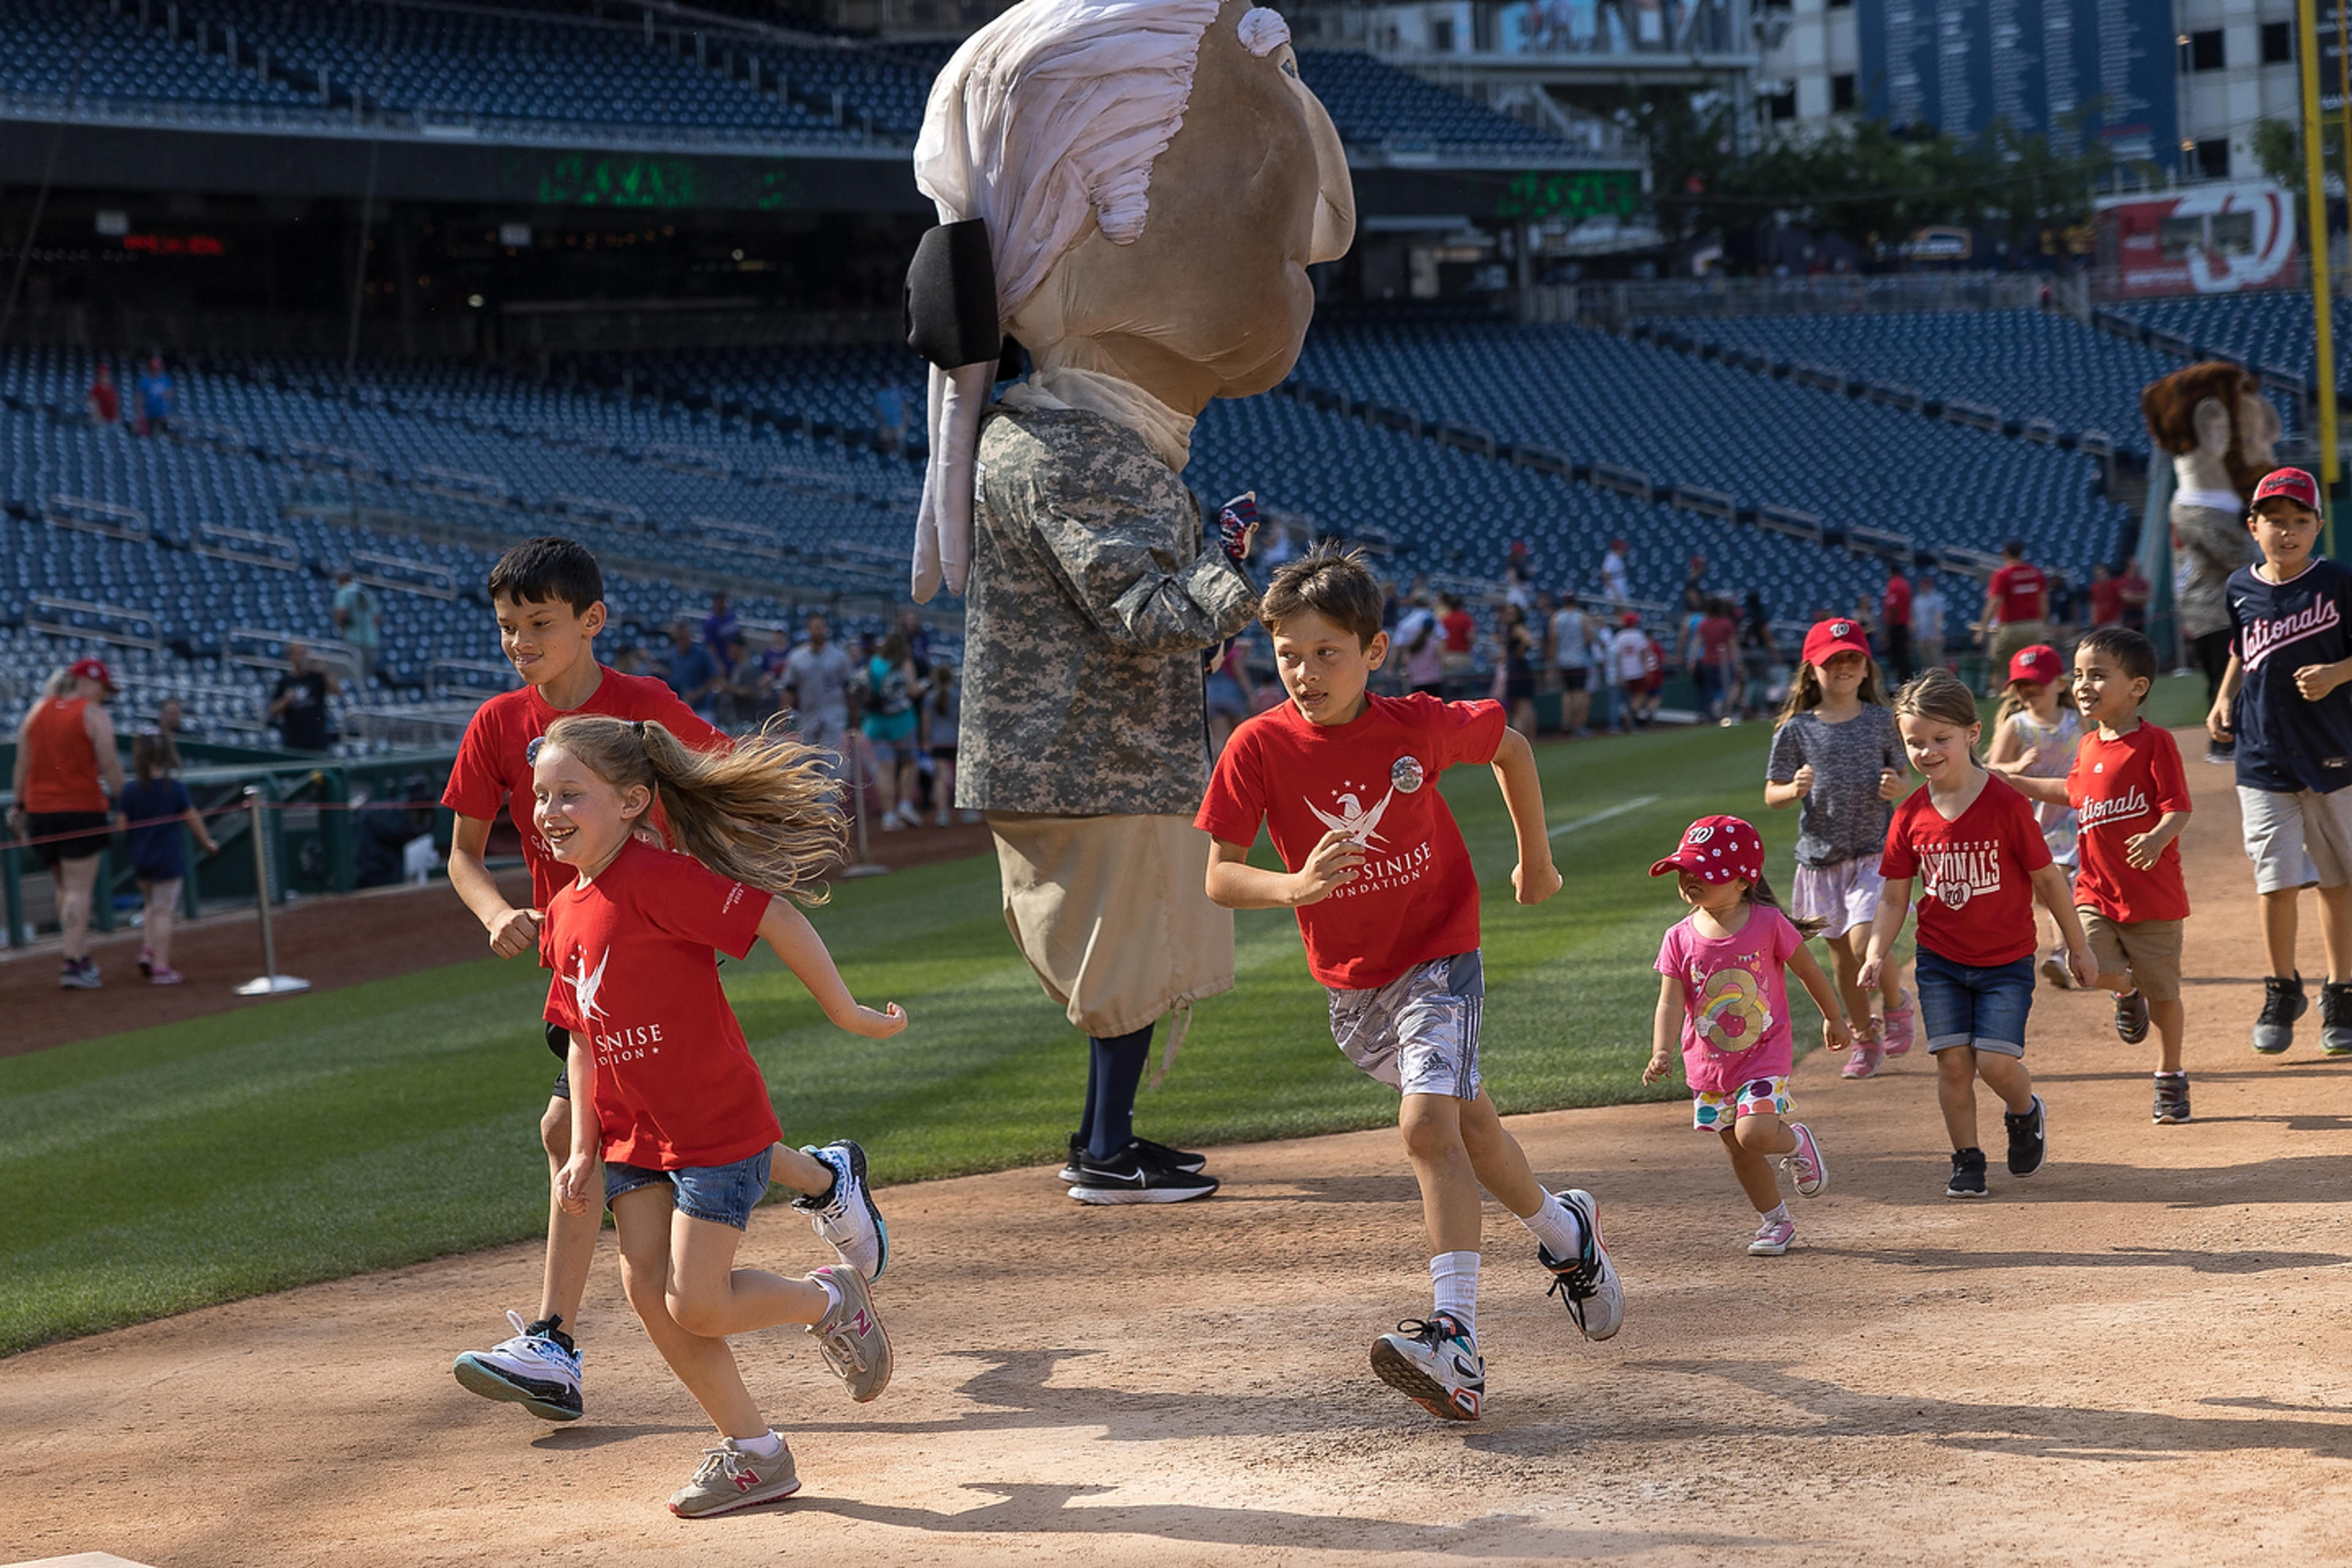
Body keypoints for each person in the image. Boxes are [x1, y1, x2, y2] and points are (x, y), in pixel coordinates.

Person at [440, 538, 883, 1427]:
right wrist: (496, 914)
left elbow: (719, 780)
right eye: (507, 628)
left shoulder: (641, 707)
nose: (521, 642)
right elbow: (463, 855)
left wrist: (680, 878)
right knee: (613, 1120)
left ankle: (554, 1340)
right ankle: (820, 1177)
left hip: (654, 929)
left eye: (539, 624)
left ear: (592, 621)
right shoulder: (497, 724)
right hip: (573, 948)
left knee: (578, 1123)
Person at [1196, 547, 1622, 1422]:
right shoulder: (1257, 747)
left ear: (1376, 652)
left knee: (1428, 1125)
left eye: (1328, 653)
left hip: (1439, 953)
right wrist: (1295, 889)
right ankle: (1566, 1234)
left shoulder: (1418, 726)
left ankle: (1454, 1338)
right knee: (1468, 1123)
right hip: (1355, 990)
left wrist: (1534, 863)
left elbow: (1510, 747)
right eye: (1288, 655)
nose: (1306, 674)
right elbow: (1219, 876)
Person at [534, 715, 903, 1517]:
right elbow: (584, 1039)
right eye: (540, 796)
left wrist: (844, 1012)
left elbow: (774, 916)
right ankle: (757, 1453)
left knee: (695, 1302)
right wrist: (582, 1147)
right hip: (634, 1137)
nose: (549, 810)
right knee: (645, 1288)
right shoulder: (563, 911)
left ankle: (831, 1299)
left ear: (633, 801)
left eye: (570, 794)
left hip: (714, 1127)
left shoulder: (659, 879)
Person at [1861, 669, 2095, 1199]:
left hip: (2005, 959)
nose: (1927, 752)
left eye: (1940, 739)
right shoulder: (1909, 816)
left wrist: (2077, 945)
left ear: (1971, 734)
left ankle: (2023, 1110)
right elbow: (1895, 896)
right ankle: (1966, 1157)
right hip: (1941, 959)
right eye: (1914, 742)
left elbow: (2049, 881)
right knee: (1953, 1064)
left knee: (1994, 1061)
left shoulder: (2007, 805)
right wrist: (1877, 951)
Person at [1992, 629, 2196, 1122]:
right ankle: (2126, 990)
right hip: (2096, 891)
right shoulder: (2087, 744)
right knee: (2082, 969)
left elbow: (2179, 808)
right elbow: (2073, 792)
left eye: (2099, 675)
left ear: (2138, 687)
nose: (2084, 685)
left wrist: (2157, 837)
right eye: (2080, 675)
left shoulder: (2155, 743)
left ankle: (2170, 1073)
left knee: (2165, 994)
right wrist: (2014, 781)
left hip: (2154, 897)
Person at [1643, 816, 1847, 1256]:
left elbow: (1809, 972)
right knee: (1739, 1149)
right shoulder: (1678, 937)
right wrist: (1662, 1050)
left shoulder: (1769, 924)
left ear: (1741, 881)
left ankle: (1796, 1141)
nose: (1690, 879)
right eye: (1684, 871)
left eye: (1705, 872)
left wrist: (1834, 1017)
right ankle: (1775, 1222)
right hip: (1710, 1066)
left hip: (1763, 1055)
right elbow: (1669, 1002)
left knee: (1754, 1135)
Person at [2204, 467, 2352, 1057]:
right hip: (2262, 755)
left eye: (2299, 521)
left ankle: (2341, 992)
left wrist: (2338, 673)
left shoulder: (2337, 583)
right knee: (2276, 882)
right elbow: (2244, 648)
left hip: (2333, 751)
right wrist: (2223, 695)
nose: (2286, 532)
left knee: (2339, 882)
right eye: (2274, 521)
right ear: (2254, 526)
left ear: (2318, 526)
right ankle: (2282, 988)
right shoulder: (2241, 585)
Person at [1763, 618, 1914, 1078]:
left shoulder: (1882, 721)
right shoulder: (1796, 730)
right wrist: (1794, 789)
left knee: (1865, 939)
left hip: (1874, 852)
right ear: (1813, 670)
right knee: (1841, 960)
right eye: (1833, 660)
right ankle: (1865, 1039)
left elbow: (1905, 776)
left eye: (1853, 658)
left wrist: (1897, 788)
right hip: (1821, 859)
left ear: (1867, 667)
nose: (1845, 667)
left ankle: (1896, 1003)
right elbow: (1771, 793)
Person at [8, 658, 126, 989]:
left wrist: (19, 804)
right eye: (103, 688)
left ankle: (79, 952)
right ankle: (74, 961)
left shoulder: (37, 710)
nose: (104, 695)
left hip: (40, 813)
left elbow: (22, 764)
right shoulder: (93, 715)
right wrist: (127, 801)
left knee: (65, 887)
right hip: (81, 809)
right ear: (87, 683)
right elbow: (110, 765)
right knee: (78, 888)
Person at [1986, 646, 2083, 990]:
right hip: (2035, 823)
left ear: (2059, 684)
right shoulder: (2017, 726)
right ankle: (2069, 946)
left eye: (2036, 682)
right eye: (2021, 684)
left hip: (2076, 818)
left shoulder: (2077, 721)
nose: (2028, 690)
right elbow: (1990, 771)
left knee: (2065, 882)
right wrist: (2016, 768)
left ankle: (2062, 952)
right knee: (2052, 889)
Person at [116, 732, 217, 986]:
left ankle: (148, 951)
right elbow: (193, 818)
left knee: (151, 905)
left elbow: (121, 827)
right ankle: (161, 967)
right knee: (164, 911)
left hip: (141, 859)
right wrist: (206, 842)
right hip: (167, 859)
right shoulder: (175, 789)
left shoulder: (130, 790)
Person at [861, 631, 925, 831]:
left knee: (884, 768)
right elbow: (913, 690)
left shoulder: (875, 661)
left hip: (876, 722)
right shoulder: (904, 662)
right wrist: (926, 685)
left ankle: (888, 816)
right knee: (909, 763)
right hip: (901, 722)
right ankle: (905, 805)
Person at [1976, 540, 2049, 693]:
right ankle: (2034, 695)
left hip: (2010, 627)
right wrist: (2043, 624)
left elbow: (1994, 603)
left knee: (1999, 666)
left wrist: (1982, 629)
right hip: (2034, 625)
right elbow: (2043, 602)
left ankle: (2003, 699)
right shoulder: (2036, 573)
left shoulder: (2002, 575)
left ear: (2005, 553)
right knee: (2032, 664)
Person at [782, 614, 856, 759]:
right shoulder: (797, 657)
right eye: (815, 627)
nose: (818, 631)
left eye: (821, 627)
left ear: (826, 629)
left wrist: (854, 720)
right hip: (808, 716)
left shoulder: (839, 657)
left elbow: (849, 689)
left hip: (834, 716)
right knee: (806, 765)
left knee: (833, 764)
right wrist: (783, 717)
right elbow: (789, 690)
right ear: (808, 630)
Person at [267, 640, 341, 753]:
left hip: (317, 741)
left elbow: (337, 692)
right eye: (299, 654)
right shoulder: (285, 682)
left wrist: (324, 672)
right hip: (294, 742)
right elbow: (273, 711)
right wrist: (286, 701)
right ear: (290, 657)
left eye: (304, 653)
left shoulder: (316, 677)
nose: (303, 657)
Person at [925, 657, 968, 826]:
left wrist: (925, 741)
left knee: (940, 777)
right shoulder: (958, 695)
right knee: (962, 776)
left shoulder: (929, 698)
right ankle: (967, 812)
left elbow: (926, 722)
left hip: (938, 741)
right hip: (957, 739)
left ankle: (942, 813)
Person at [331, 566, 382, 689]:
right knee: (366, 677)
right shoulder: (367, 592)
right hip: (371, 641)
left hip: (353, 640)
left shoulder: (344, 591)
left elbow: (340, 613)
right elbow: (377, 619)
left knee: (352, 677)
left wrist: (343, 627)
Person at [1550, 594, 1593, 736]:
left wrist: (1553, 661)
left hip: (1563, 660)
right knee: (1579, 692)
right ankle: (1578, 724)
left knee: (1568, 693)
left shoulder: (1557, 617)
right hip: (1579, 659)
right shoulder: (1582, 617)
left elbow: (1553, 641)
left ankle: (1566, 722)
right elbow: (1590, 638)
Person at [1205, 636, 1256, 755]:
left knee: (1219, 738)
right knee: (1241, 735)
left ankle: (1220, 769)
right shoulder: (1229, 651)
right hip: (1232, 696)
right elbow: (1241, 675)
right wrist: (1251, 696)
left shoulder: (1207, 652)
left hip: (1211, 696)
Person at [663, 622, 723, 722]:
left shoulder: (701, 653)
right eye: (678, 639)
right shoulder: (672, 654)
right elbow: (672, 675)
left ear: (690, 637)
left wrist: (698, 693)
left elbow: (715, 677)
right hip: (681, 707)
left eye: (683, 638)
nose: (681, 642)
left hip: (702, 708)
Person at [1494, 601, 1537, 737]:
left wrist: (1520, 650)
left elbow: (1529, 641)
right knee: (1523, 704)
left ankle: (1525, 735)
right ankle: (1530, 735)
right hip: (1516, 667)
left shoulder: (1518, 628)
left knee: (1522, 704)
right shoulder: (1510, 629)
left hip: (1518, 668)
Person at [1610, 612, 1659, 729]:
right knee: (1639, 697)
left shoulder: (1620, 636)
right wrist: (1646, 669)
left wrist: (1618, 673)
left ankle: (1631, 717)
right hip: (1638, 670)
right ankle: (1632, 718)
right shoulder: (1638, 635)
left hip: (1626, 672)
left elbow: (1617, 657)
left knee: (1633, 697)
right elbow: (1642, 654)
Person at [1880, 564, 1915, 681]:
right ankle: (1907, 683)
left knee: (1899, 660)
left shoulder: (1894, 585)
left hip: (1896, 627)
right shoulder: (1906, 585)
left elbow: (1893, 609)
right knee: (1904, 660)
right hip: (1904, 626)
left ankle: (1905, 685)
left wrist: (1887, 632)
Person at [1912, 571, 1948, 673]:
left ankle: (1943, 685)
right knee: (1926, 665)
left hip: (1933, 636)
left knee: (1937, 663)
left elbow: (1939, 617)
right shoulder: (1917, 600)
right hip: (1921, 636)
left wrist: (1938, 633)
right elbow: (1915, 618)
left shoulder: (1936, 599)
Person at [1437, 593, 1476, 677]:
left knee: (1449, 686)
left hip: (1448, 656)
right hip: (1463, 656)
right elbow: (1470, 638)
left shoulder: (1444, 620)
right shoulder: (1466, 619)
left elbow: (1440, 640)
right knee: (1464, 685)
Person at [135, 353, 174, 437]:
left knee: (164, 436)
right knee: (148, 436)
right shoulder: (145, 381)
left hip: (162, 414)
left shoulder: (165, 379)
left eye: (158, 369)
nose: (156, 371)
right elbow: (139, 397)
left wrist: (166, 395)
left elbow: (171, 393)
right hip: (148, 414)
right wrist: (140, 412)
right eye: (154, 369)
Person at [701, 593, 741, 671]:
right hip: (722, 661)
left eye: (723, 603)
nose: (721, 606)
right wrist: (718, 664)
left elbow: (738, 638)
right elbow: (711, 647)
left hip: (735, 660)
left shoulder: (731, 618)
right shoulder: (710, 623)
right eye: (719, 603)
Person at [2116, 559, 2152, 633]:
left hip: (2139, 613)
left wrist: (2133, 596)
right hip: (2127, 614)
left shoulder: (2143, 581)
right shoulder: (2122, 580)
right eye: (2134, 566)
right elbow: (2126, 598)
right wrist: (2140, 597)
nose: (2137, 568)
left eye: (2137, 566)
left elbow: (2148, 597)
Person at [2087, 562, 2125, 630]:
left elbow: (2122, 598)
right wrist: (2093, 618)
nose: (2100, 575)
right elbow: (2094, 603)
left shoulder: (2114, 584)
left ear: (2106, 573)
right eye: (2097, 574)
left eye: (2101, 573)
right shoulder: (2094, 587)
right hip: (2101, 622)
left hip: (2113, 621)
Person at [873, 382, 908, 456]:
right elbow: (877, 410)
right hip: (885, 424)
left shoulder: (896, 393)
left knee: (900, 440)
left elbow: (905, 407)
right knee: (886, 439)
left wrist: (905, 420)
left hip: (897, 423)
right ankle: (887, 458)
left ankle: (901, 458)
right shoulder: (880, 394)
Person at [1600, 538, 1630, 608]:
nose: (1624, 551)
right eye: (1622, 549)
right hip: (1615, 595)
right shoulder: (1611, 559)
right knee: (1620, 615)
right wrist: (1615, 592)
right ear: (1617, 549)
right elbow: (1605, 575)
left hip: (1620, 594)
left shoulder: (1618, 559)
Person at [88, 361, 118, 426]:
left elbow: (115, 405)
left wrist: (116, 419)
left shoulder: (111, 388)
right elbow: (93, 404)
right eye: (102, 375)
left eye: (106, 375)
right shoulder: (96, 388)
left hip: (112, 421)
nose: (105, 377)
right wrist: (97, 419)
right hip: (101, 421)